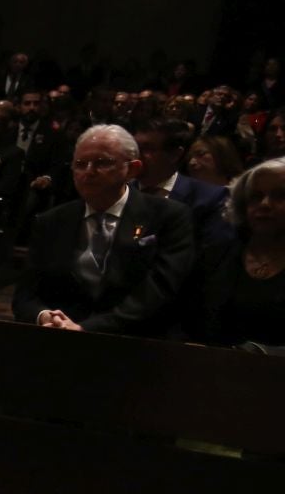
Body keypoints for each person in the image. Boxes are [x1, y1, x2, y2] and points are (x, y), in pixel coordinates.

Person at [13, 124, 195, 336]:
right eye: (80, 164)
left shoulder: (169, 216)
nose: (88, 172)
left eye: (102, 163)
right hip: (61, 337)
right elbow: (25, 296)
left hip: (137, 341)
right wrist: (45, 316)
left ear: (133, 169)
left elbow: (159, 291)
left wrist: (87, 329)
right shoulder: (52, 220)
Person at [186, 158, 285, 350]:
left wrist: (259, 353)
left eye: (280, 196)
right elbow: (187, 319)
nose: (264, 204)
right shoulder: (215, 255)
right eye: (255, 197)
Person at [134, 119, 231, 248]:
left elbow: (212, 256)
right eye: (134, 148)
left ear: (175, 155)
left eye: (147, 149)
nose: (135, 155)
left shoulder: (210, 198)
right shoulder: (119, 190)